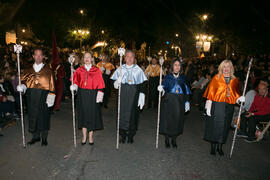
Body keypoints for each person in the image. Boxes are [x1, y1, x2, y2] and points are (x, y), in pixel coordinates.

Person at [203, 60, 245, 155]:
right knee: (216, 125)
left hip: (229, 106)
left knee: (225, 126)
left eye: (228, 67)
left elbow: (236, 94)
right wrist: (208, 107)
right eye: (224, 67)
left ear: (231, 68)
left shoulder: (234, 80)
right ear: (221, 68)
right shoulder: (216, 78)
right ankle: (213, 146)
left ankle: (220, 146)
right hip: (217, 105)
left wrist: (239, 99)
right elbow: (211, 94)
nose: (226, 69)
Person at [17, 48, 55, 146]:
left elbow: (52, 85)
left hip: (44, 95)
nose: (38, 57)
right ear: (33, 56)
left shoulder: (48, 70)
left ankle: (44, 138)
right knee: (33, 116)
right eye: (36, 55)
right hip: (31, 95)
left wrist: (51, 98)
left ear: (43, 57)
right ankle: (35, 137)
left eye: (40, 55)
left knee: (44, 117)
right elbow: (24, 81)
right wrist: (23, 86)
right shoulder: (28, 70)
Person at [111, 50, 147, 144]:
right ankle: (122, 135)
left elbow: (143, 83)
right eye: (127, 56)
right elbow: (113, 82)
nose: (129, 58)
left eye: (131, 57)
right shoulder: (120, 69)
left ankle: (131, 135)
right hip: (123, 94)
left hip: (133, 94)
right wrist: (116, 82)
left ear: (134, 58)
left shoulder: (138, 69)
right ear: (124, 58)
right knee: (122, 114)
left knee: (133, 114)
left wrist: (142, 95)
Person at [70, 52, 105, 145]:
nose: (87, 59)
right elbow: (76, 81)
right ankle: (84, 136)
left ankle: (90, 136)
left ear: (92, 59)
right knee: (83, 115)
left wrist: (99, 95)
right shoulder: (79, 70)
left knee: (92, 115)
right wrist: (74, 86)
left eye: (89, 57)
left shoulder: (96, 70)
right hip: (82, 95)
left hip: (93, 95)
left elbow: (101, 84)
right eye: (85, 57)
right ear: (83, 59)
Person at [157, 59, 191, 148]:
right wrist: (161, 89)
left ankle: (174, 139)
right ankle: (167, 139)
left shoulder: (183, 78)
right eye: (175, 65)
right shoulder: (168, 77)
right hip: (169, 100)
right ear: (172, 66)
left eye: (179, 65)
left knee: (177, 120)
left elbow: (187, 91)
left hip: (179, 101)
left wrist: (187, 102)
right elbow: (164, 88)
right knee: (168, 120)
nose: (177, 67)